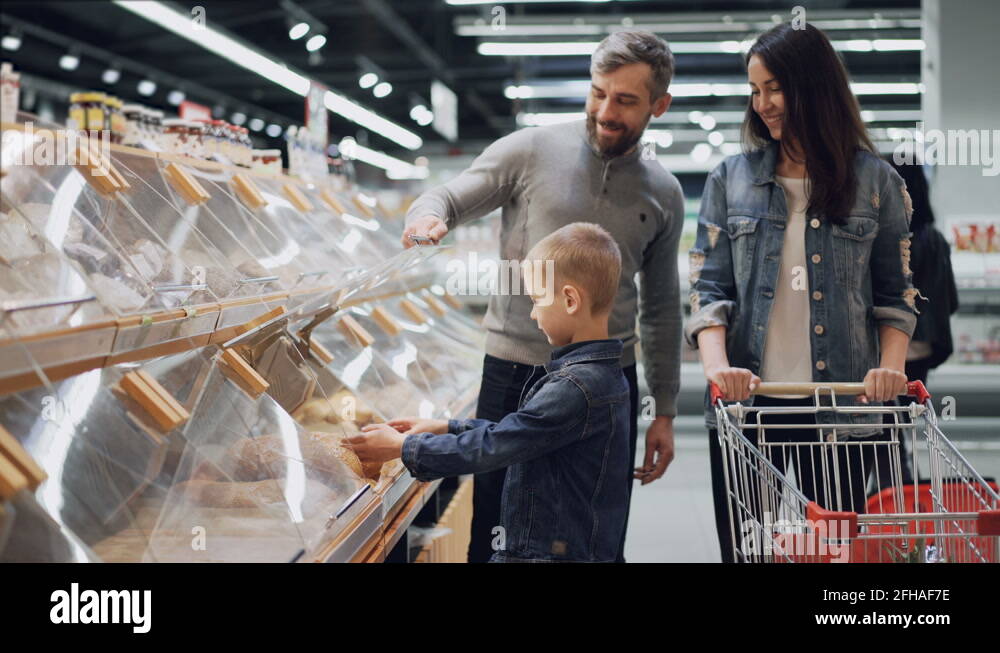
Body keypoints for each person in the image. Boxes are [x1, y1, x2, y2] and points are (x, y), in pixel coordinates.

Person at [401, 31, 685, 562]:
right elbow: (448, 195)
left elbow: (663, 308)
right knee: (494, 529)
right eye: (598, 92)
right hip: (515, 370)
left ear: (659, 105)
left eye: (625, 100)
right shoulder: (531, 150)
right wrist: (427, 216)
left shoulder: (662, 192)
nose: (605, 110)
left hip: (606, 381)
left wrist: (663, 410)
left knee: (593, 529)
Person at [685, 23, 917, 563]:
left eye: (775, 88)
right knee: (749, 554)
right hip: (749, 408)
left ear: (812, 87)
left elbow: (895, 292)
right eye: (755, 90)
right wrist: (719, 372)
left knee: (836, 556)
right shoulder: (730, 180)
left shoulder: (875, 182)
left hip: (841, 404)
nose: (763, 104)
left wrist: (890, 370)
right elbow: (709, 287)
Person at [350, 223, 631, 562]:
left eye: (537, 300)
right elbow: (520, 434)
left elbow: (496, 446)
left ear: (570, 300)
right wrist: (446, 427)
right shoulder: (601, 375)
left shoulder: (574, 388)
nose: (532, 313)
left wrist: (404, 447)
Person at [873, 159, 959, 488]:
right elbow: (950, 299)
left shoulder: (885, 237)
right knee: (907, 415)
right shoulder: (934, 239)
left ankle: (896, 483)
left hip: (888, 345)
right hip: (923, 346)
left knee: (883, 420)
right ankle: (905, 482)